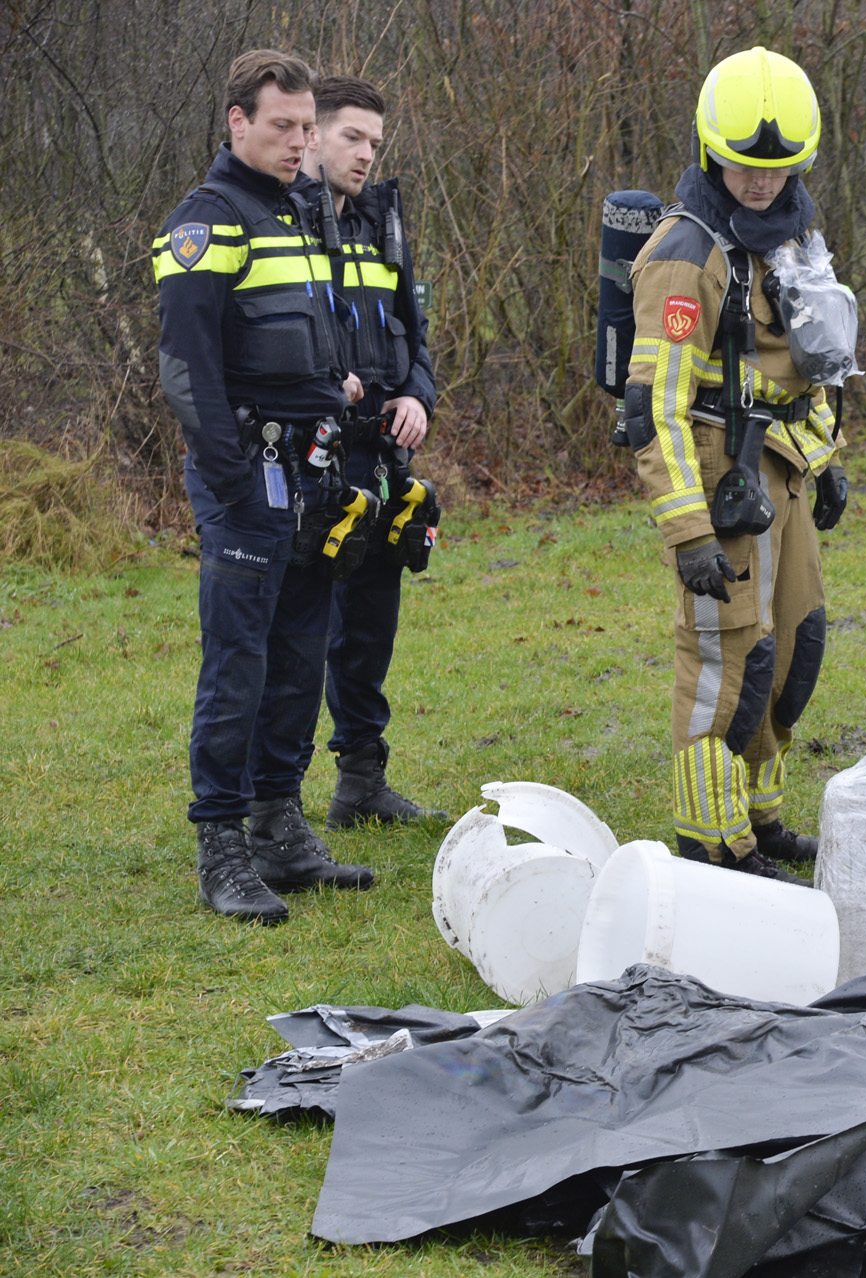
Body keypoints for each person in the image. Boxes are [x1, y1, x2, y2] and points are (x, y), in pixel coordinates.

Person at [152, 49, 374, 923]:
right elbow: (185, 368)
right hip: (245, 477)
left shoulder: (302, 216)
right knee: (238, 661)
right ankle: (222, 845)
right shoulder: (204, 223)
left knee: (298, 655)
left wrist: (335, 394)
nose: (298, 141)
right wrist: (231, 477)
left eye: (305, 126)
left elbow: (297, 340)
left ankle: (280, 825)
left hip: (313, 474)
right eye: (281, 125)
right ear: (237, 121)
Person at [625, 46, 850, 882]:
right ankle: (710, 838)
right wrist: (687, 530)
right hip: (722, 483)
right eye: (744, 167)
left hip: (787, 472)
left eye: (778, 168)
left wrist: (825, 460)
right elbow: (656, 405)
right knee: (729, 662)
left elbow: (812, 358)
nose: (760, 183)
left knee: (793, 654)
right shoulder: (688, 252)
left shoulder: (795, 235)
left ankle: (761, 815)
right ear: (709, 150)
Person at [298, 74, 448, 829]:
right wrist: (329, 387)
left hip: (384, 465)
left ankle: (361, 782)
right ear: (312, 133)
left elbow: (417, 340)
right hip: (311, 464)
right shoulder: (281, 224)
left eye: (375, 143)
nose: (365, 155)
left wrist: (418, 394)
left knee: (369, 631)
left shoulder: (382, 223)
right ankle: (273, 807)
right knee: (302, 634)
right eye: (351, 137)